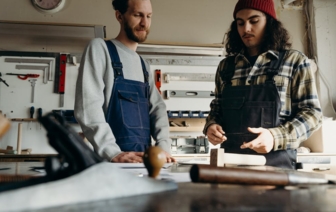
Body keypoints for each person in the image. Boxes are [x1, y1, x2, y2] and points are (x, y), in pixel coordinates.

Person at [204, 0, 322, 168]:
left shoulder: (294, 61)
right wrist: (212, 125)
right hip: (230, 167)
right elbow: (217, 108)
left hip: (277, 167)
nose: (246, 29)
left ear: (270, 22)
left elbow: (312, 114)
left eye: (254, 21)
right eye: (240, 23)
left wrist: (275, 137)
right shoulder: (226, 67)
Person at [75, 0, 175, 163]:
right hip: (112, 162)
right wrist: (112, 152)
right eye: (137, 15)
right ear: (119, 16)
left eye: (148, 16)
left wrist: (163, 149)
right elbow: (88, 106)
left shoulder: (143, 64)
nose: (144, 23)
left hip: (144, 162)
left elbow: (158, 108)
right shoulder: (100, 49)